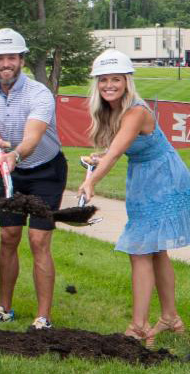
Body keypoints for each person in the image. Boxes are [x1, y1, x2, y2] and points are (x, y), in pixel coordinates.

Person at [77, 49, 187, 345]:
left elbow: (115, 153)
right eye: (103, 80)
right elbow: (119, 148)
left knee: (140, 251)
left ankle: (138, 328)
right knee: (156, 250)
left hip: (164, 179)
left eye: (116, 79)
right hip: (144, 179)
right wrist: (98, 158)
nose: (109, 85)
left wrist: (92, 181)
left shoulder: (136, 111)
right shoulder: (112, 111)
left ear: (127, 81)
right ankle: (170, 318)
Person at [0, 28, 65, 330]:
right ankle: (5, 308)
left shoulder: (39, 93)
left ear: (22, 60)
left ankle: (43, 317)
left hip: (45, 171)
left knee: (38, 239)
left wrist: (14, 154)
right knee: (7, 237)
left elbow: (32, 138)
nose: (5, 63)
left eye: (11, 57)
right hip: (9, 170)